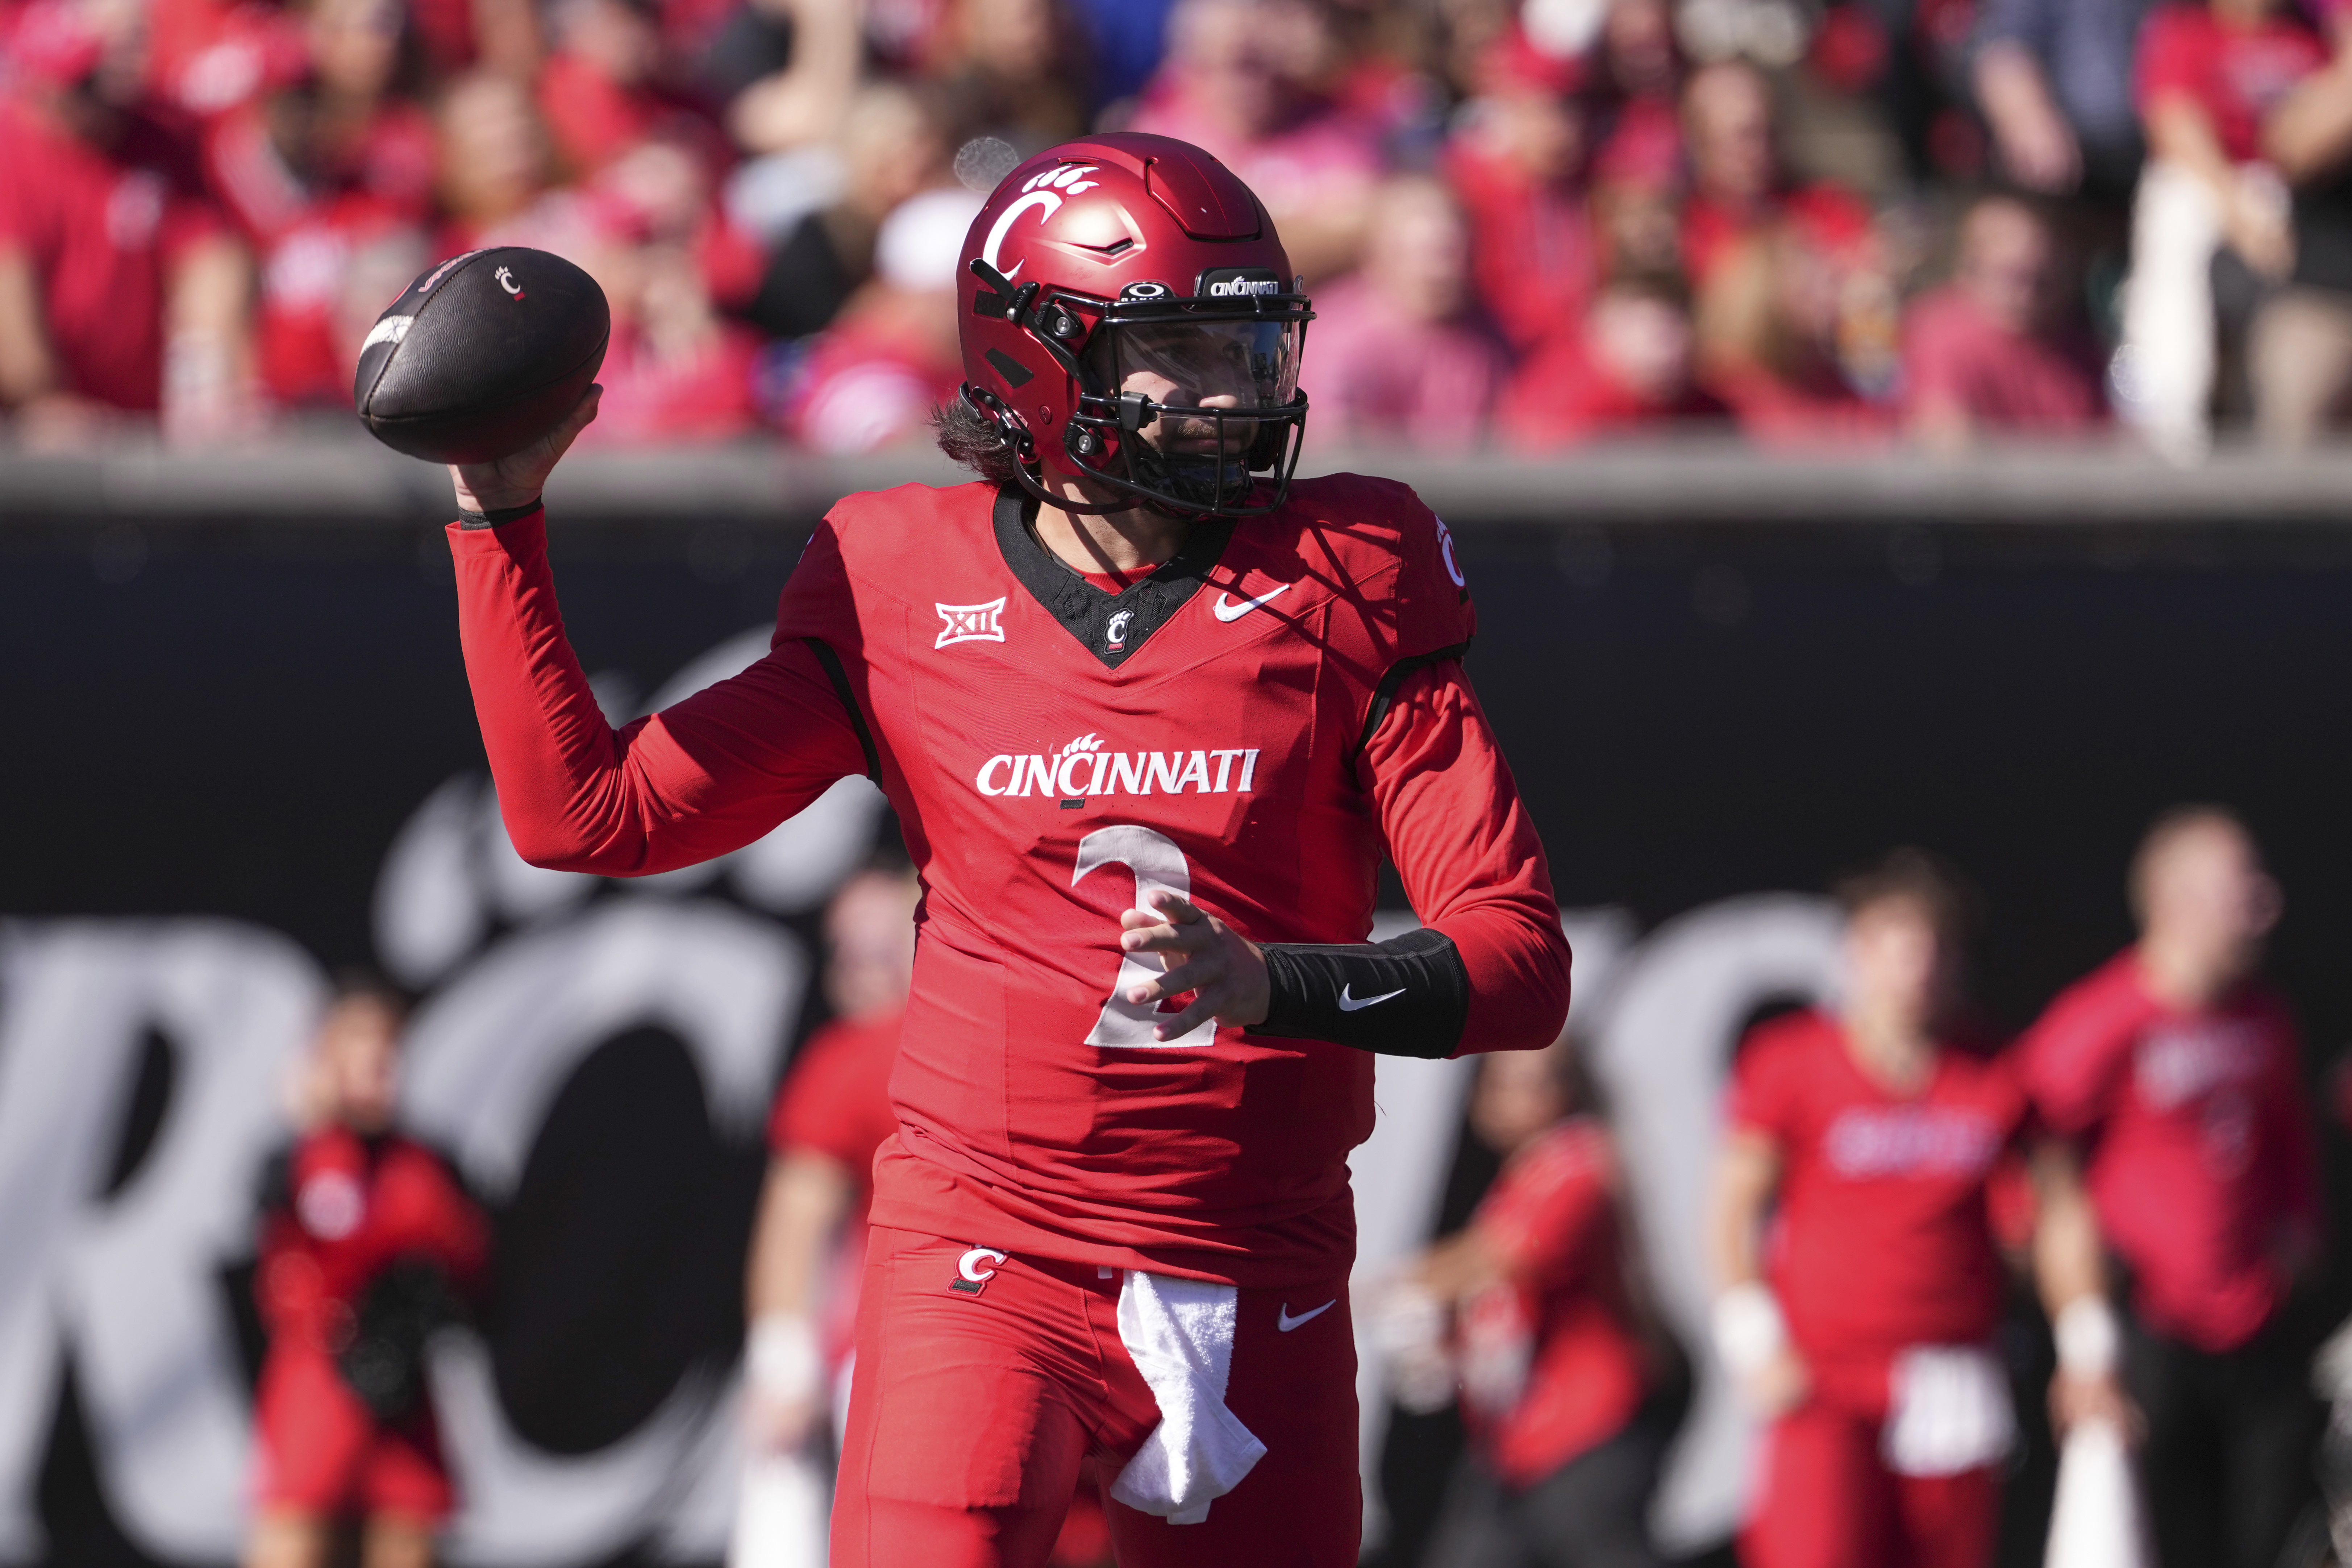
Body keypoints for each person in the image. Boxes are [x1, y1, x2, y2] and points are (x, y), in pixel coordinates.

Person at [437, 131, 1572, 1568]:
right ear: (1040, 360)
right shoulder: (898, 576)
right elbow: (589, 815)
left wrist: (1270, 982)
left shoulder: (1349, 565)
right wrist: (496, 512)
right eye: (1178, 349)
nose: (1236, 392)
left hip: (1257, 1253)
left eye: (1249, 344)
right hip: (989, 1247)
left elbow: (1517, 965)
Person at [1709, 851, 2119, 1568]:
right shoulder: (1791, 1061)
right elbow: (1730, 1209)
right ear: (1856, 952)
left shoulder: (1993, 1071)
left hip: (1948, 1379)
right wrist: (1751, 1337)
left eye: (1932, 949)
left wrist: (2086, 1347)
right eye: (1896, 947)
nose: (1915, 969)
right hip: (1822, 1378)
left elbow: (2060, 1210)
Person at [2019, 807, 2323, 1568]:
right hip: (2149, 1334)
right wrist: (2079, 1308)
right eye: (2242, 887)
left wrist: (2295, 1234)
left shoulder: (2264, 1017)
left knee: (2270, 1539)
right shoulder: (2097, 1023)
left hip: (2256, 1329)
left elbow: (2287, 1142)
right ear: (2176, 900)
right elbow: (2027, 1167)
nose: (2266, 904)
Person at [1403, 1033, 1681, 1568]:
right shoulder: (1518, 1178)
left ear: (1569, 1090)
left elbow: (1503, 1256)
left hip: (1588, 1427)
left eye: (1533, 1085)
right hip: (1516, 1437)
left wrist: (1376, 1289)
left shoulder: (1579, 1162)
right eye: (1499, 1084)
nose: (1510, 1100)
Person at [245, 978, 489, 1568]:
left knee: (406, 1538)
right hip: (318, 1385)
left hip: (400, 1395)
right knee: (295, 1538)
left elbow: (466, 1263)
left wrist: (422, 1306)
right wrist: (317, 1131)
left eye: (389, 1049)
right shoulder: (303, 1160)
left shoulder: (423, 1166)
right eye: (362, 1047)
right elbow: (286, 1268)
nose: (380, 1065)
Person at [2115, 0, 2328, 458]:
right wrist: (2234, 208)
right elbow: (2172, 124)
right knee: (2175, 229)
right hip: (2204, 181)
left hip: (2286, 189)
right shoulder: (2184, 29)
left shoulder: (2309, 34)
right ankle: (2169, 434)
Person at [1302, 174, 1507, 451]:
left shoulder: (1485, 338)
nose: (1439, 271)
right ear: (1374, 256)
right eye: (1421, 254)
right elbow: (1330, 451)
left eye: (1451, 254)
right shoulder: (1335, 343)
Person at [1901, 194, 2107, 450]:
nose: (2027, 290)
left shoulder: (2078, 347)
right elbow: (1943, 440)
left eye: (2038, 277)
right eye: (2014, 275)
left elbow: (2109, 444)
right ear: (1969, 264)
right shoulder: (1940, 331)